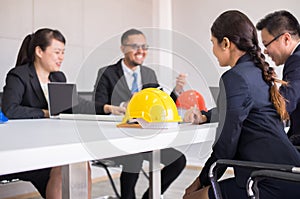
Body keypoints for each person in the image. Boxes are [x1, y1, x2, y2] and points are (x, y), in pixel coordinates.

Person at [183, 10, 300, 199]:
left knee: (191, 198)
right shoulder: (259, 73)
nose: (212, 50)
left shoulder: (234, 77)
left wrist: (201, 181)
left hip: (267, 180)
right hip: (286, 173)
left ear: (226, 43)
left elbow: (226, 145)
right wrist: (208, 115)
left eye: (213, 43)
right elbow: (241, 112)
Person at [93, 28, 187, 199]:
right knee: (133, 157)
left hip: (145, 138)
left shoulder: (148, 74)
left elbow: (159, 108)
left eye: (144, 46)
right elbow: (96, 105)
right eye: (135, 46)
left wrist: (176, 92)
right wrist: (123, 106)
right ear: (123, 48)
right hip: (116, 138)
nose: (141, 51)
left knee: (178, 160)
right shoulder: (107, 73)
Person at [1, 28, 92, 199]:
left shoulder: (59, 78)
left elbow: (73, 105)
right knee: (62, 165)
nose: (61, 57)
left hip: (55, 142)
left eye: (63, 52)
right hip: (29, 148)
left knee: (81, 162)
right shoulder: (18, 76)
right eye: (57, 52)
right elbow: (10, 109)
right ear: (39, 51)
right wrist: (45, 113)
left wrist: (109, 108)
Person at [256, 10, 300, 145]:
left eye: (266, 44)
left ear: (286, 38)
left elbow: (284, 105)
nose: (265, 51)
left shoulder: (296, 60)